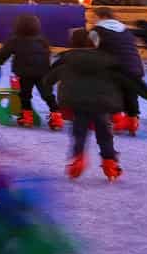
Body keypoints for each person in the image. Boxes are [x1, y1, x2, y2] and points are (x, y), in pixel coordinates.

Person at [45, 28, 130, 181]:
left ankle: (78, 159)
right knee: (105, 135)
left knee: (79, 134)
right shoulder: (106, 58)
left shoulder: (68, 58)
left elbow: (49, 79)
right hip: (101, 105)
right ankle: (110, 163)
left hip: (79, 105)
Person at [88, 7, 147, 131]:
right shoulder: (125, 29)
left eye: (93, 17)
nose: (92, 20)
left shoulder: (96, 30)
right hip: (135, 65)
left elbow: (94, 50)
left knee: (109, 90)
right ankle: (132, 120)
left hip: (114, 68)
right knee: (130, 92)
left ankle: (115, 115)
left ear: (101, 16)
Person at [0, 13, 54, 128]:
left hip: (24, 73)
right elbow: (47, 54)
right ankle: (56, 116)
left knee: (25, 95)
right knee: (47, 94)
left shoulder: (15, 40)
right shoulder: (42, 40)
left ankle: (27, 117)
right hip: (43, 71)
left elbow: (4, 53)